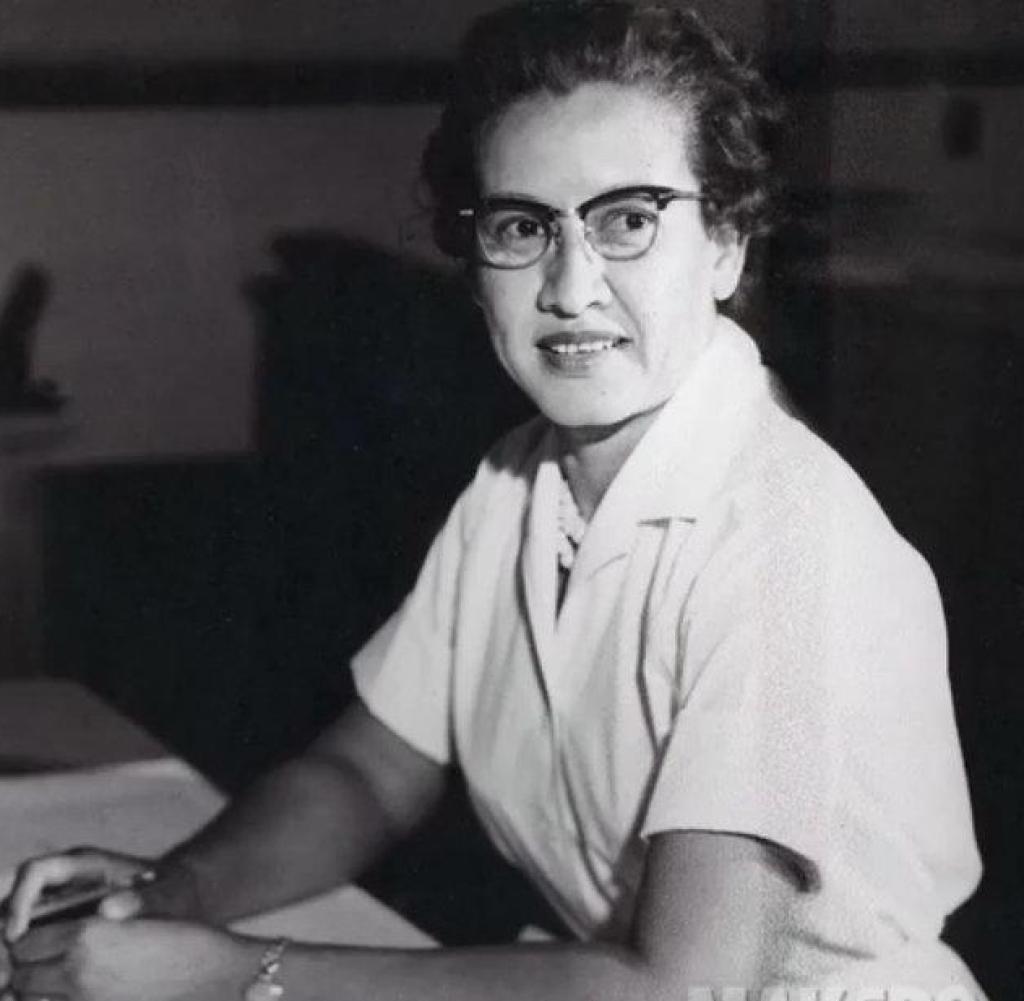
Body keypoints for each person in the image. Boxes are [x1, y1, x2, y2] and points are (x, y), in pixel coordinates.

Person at [1, 2, 986, 998]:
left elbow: (685, 988)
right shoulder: (519, 481)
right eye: (522, 225)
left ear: (726, 244)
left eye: (628, 219)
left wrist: (235, 973)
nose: (569, 283)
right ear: (475, 272)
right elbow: (370, 773)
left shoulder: (789, 546)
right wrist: (178, 890)